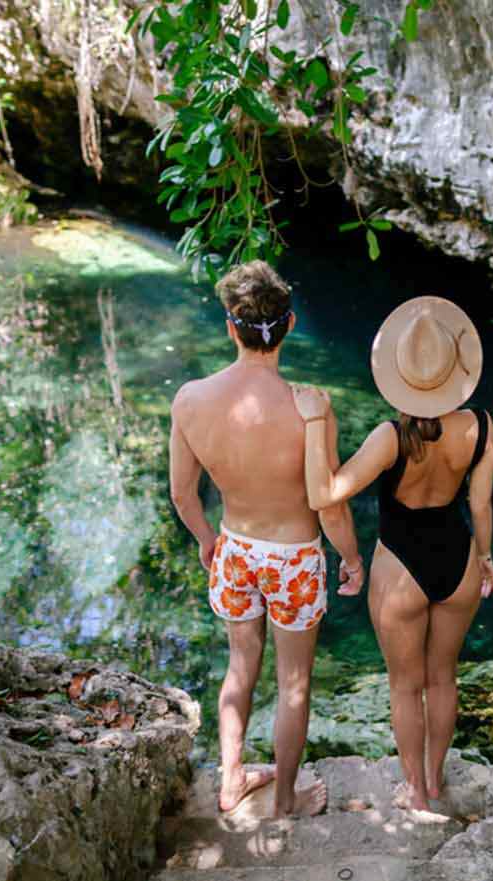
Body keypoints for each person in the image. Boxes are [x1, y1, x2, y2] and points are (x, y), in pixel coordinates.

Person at [168, 260, 366, 817]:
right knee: (294, 683)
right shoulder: (311, 408)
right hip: (295, 559)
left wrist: (209, 540)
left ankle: (231, 781)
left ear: (231, 328)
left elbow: (183, 496)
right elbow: (327, 504)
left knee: (240, 665)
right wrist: (351, 558)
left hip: (235, 546)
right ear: (291, 325)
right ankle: (284, 799)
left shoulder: (190, 400)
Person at [292, 296, 493, 812]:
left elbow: (325, 495)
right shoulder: (481, 427)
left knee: (405, 687)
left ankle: (416, 793)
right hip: (459, 563)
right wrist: (487, 558)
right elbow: (480, 504)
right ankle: (435, 778)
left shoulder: (392, 437)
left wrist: (316, 423)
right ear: (455, 371)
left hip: (400, 570)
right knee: (443, 677)